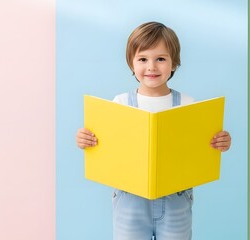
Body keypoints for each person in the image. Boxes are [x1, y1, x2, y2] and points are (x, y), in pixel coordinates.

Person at [76, 22, 231, 240]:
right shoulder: (120, 103)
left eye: (161, 59)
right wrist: (85, 139)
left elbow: (204, 144)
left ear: (174, 63)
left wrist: (221, 141)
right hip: (130, 199)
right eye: (142, 59)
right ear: (131, 64)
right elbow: (101, 142)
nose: (151, 67)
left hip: (176, 198)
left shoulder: (188, 104)